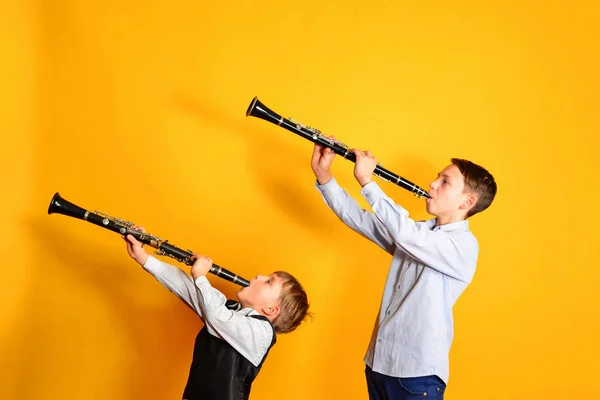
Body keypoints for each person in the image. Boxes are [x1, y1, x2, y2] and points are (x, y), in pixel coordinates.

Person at [311, 142, 497, 400]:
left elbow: (403, 232)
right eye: (437, 179)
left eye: (445, 182)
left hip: (417, 375)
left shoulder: (463, 246)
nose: (432, 184)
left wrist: (366, 180)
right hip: (379, 365)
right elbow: (362, 220)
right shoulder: (418, 232)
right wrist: (324, 177)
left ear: (468, 201)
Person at [124, 227, 310, 400]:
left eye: (269, 282)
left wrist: (201, 276)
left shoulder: (262, 332)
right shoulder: (228, 309)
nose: (259, 276)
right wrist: (144, 258)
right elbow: (187, 287)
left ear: (271, 309)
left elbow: (218, 317)